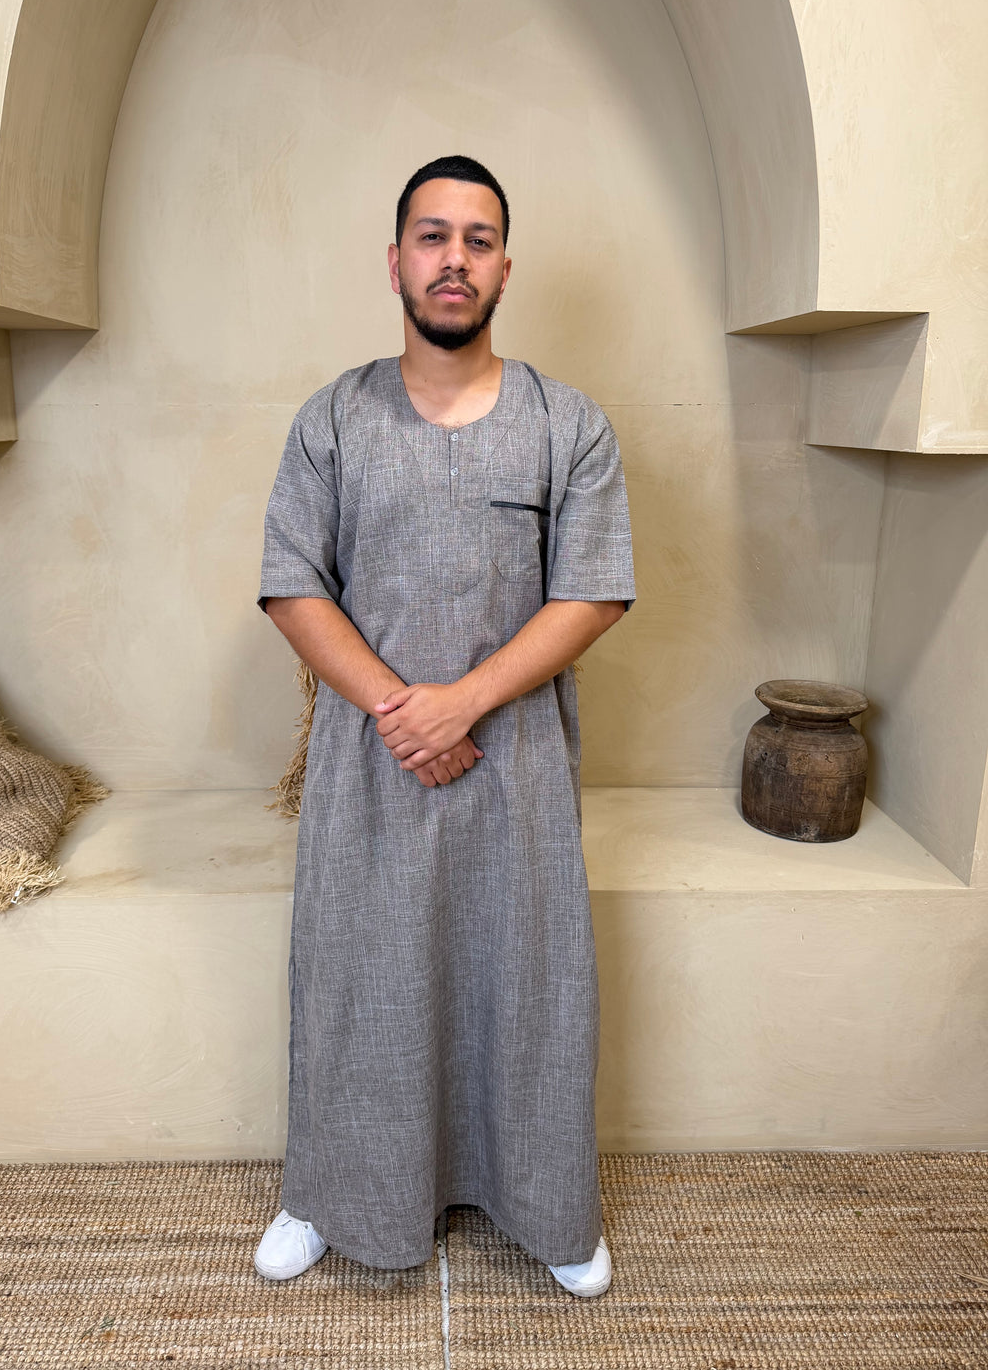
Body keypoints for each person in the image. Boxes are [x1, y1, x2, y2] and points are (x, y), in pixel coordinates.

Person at [253, 155, 635, 1297]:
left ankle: (550, 1207)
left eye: (477, 239)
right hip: (369, 767)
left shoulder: (569, 424)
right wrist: (399, 710)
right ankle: (328, 1192)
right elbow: (291, 582)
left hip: (515, 769)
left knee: (528, 986)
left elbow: (594, 592)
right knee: (356, 979)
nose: (454, 259)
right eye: (432, 236)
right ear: (396, 263)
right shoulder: (333, 418)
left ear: (505, 268)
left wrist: (462, 703)